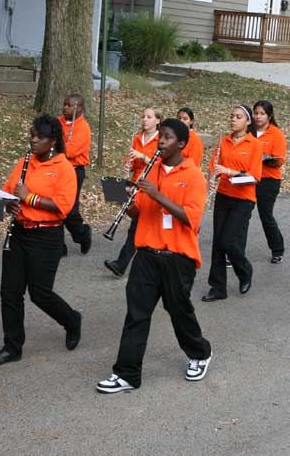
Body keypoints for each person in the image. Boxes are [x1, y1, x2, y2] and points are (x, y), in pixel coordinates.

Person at [97, 119, 212, 393]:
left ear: (181, 144)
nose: (160, 141)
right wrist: (126, 203)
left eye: (168, 137)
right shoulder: (151, 172)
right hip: (147, 254)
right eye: (160, 136)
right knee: (136, 314)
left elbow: (190, 219)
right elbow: (141, 212)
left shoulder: (193, 175)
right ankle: (126, 374)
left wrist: (157, 194)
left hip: (177, 258)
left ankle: (200, 352)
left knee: (178, 311)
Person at [0, 115, 82, 367]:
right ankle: (12, 346)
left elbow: (62, 207)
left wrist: (29, 198)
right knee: (10, 292)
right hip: (19, 233)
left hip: (46, 236)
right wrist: (9, 205)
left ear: (52, 141)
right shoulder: (23, 162)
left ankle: (72, 320)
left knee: (40, 293)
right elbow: (9, 191)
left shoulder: (64, 168)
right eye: (31, 134)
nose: (33, 139)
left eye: (39, 136)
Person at [202, 105, 263, 302]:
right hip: (223, 195)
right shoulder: (223, 142)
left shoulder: (255, 145)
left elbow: (255, 176)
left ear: (247, 122)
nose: (233, 120)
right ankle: (218, 287)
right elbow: (213, 167)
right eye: (232, 116)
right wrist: (212, 177)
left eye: (238, 117)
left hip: (244, 198)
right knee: (217, 242)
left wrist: (229, 172)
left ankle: (245, 270)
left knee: (227, 240)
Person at [104, 107, 163, 278]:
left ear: (158, 120)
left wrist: (142, 156)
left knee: (139, 226)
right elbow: (134, 164)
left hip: (151, 186)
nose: (145, 119)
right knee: (113, 189)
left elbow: (160, 164)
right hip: (136, 184)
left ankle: (123, 264)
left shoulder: (161, 140)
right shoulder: (138, 138)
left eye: (149, 117)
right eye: (143, 116)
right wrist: (128, 165)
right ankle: (123, 264)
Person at [253, 100, 287, 264]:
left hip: (268, 180)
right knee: (241, 216)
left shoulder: (276, 134)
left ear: (269, 116)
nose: (258, 117)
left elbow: (279, 160)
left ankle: (277, 249)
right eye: (256, 113)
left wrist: (263, 158)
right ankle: (232, 252)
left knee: (265, 215)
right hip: (248, 178)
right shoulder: (248, 131)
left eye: (262, 114)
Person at [58, 94, 93, 256]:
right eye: (65, 104)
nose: (65, 107)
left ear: (78, 108)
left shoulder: (83, 127)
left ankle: (82, 234)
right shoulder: (59, 122)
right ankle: (58, 245)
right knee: (54, 206)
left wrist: (58, 146)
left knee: (70, 209)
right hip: (58, 168)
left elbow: (70, 151)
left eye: (69, 105)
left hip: (74, 170)